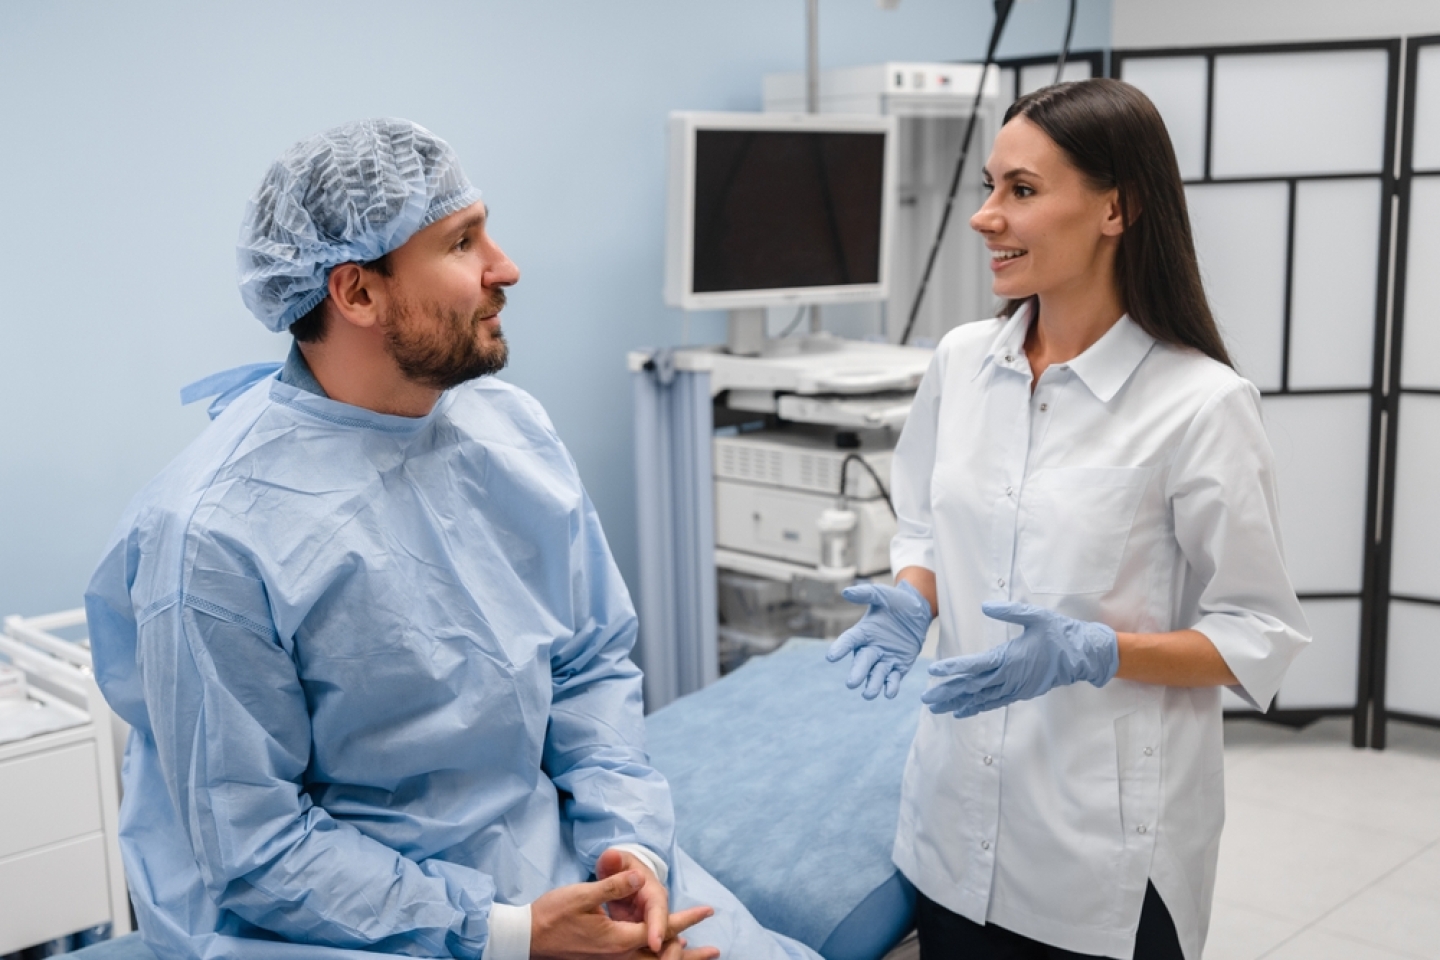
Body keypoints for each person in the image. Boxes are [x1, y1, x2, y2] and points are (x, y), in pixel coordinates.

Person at [85, 119, 817, 960]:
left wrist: (629, 853)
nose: (506, 268)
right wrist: (507, 935)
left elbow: (588, 665)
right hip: (354, 926)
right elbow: (254, 846)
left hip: (552, 870)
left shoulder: (508, 430)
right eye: (463, 242)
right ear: (357, 293)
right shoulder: (212, 535)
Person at [825, 79, 1309, 960]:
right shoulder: (962, 362)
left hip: (1102, 864)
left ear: (1115, 208)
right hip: (948, 827)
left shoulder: (1200, 404)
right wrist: (914, 596)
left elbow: (1258, 631)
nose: (985, 217)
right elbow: (928, 523)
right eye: (988, 187)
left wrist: (1100, 652)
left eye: (1022, 191)